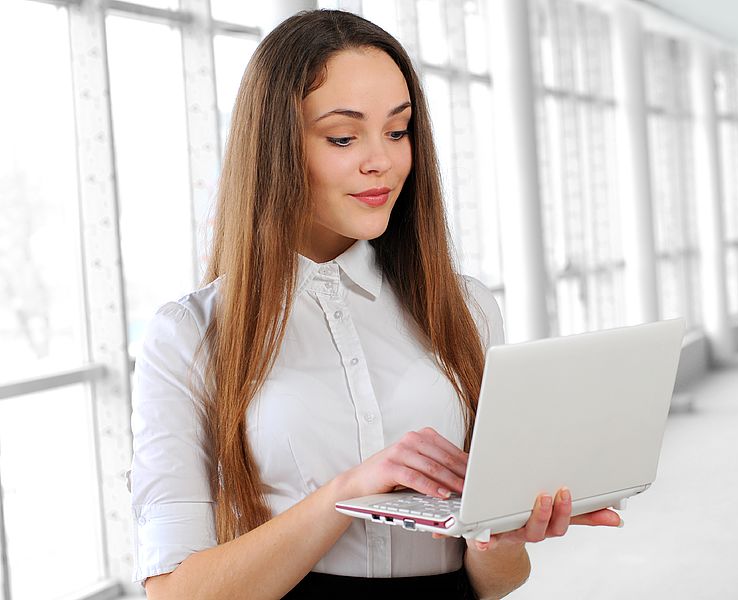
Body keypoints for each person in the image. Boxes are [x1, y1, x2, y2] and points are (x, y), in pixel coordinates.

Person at [129, 9, 621, 599]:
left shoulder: (465, 307)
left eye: (397, 131)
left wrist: (501, 537)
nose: (381, 161)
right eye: (342, 137)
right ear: (274, 148)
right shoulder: (190, 333)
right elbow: (175, 592)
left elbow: (493, 584)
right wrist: (351, 491)